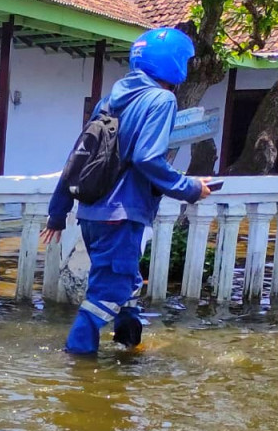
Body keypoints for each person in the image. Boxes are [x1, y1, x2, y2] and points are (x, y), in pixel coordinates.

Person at [41, 27, 213, 355]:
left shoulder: (109, 101)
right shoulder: (162, 99)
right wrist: (189, 188)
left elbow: (78, 156)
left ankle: (129, 349)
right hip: (122, 215)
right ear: (174, 62)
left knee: (127, 284)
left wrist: (58, 213)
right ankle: (76, 363)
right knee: (107, 294)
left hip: (92, 214)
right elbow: (147, 157)